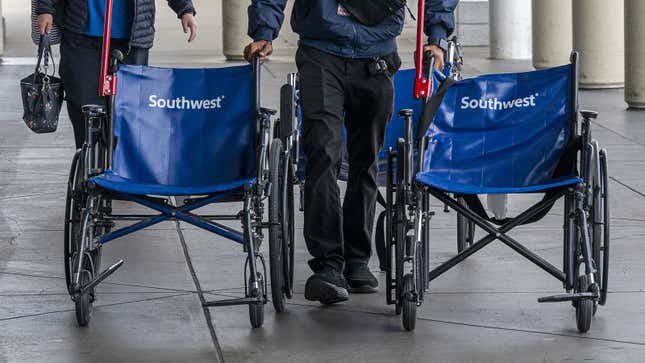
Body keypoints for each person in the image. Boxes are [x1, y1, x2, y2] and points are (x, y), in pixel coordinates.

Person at [245, 0, 458, 305]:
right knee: (322, 152)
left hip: (377, 55)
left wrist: (436, 37)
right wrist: (264, 31)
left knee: (366, 159)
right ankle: (328, 264)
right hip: (320, 51)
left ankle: (357, 257)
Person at [36, 0, 198, 149]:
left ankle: (119, 163)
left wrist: (185, 9)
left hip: (132, 39)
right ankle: (87, 156)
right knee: (81, 101)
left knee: (128, 108)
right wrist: (45, 9)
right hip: (80, 33)